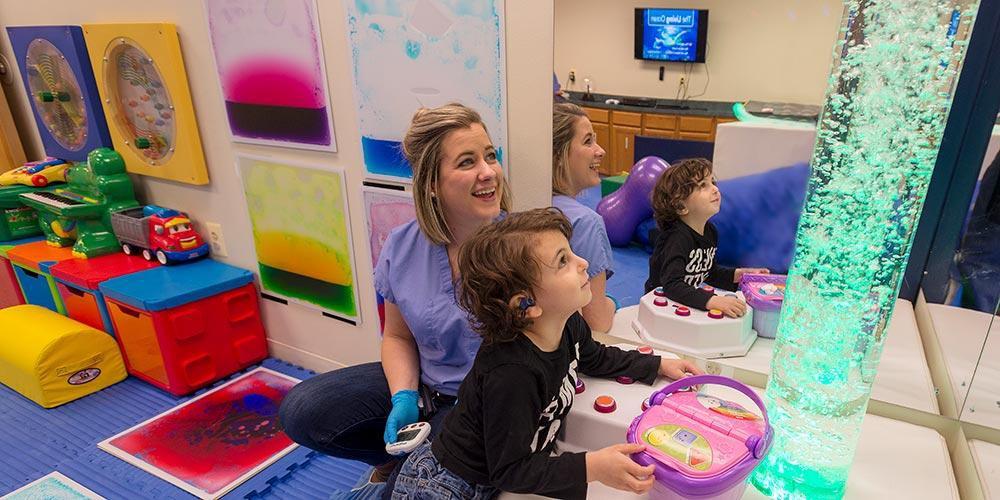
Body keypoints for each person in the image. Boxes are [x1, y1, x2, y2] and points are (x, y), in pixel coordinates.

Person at [278, 103, 513, 495]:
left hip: (483, 409)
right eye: (467, 161)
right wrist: (403, 396)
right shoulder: (402, 247)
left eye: (490, 156)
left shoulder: (522, 249)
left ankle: (410, 466)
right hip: (425, 390)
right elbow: (399, 337)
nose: (488, 171)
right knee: (301, 410)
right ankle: (396, 458)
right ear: (432, 184)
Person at [391, 208, 703, 499]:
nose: (583, 263)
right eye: (563, 261)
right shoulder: (513, 373)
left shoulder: (569, 326)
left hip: (487, 477)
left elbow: (595, 357)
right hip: (445, 485)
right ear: (526, 303)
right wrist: (591, 467)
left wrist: (658, 365)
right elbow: (510, 470)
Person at [643, 158, 767, 317]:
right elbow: (672, 285)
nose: (715, 189)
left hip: (680, 303)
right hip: (659, 310)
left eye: (712, 182)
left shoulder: (710, 232)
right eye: (703, 185)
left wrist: (740, 274)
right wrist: (712, 301)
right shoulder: (676, 239)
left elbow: (708, 272)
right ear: (681, 206)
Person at [551, 102, 617, 332]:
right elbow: (596, 322)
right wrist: (612, 303)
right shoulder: (585, 222)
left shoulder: (521, 206)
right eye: (588, 141)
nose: (601, 151)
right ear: (559, 155)